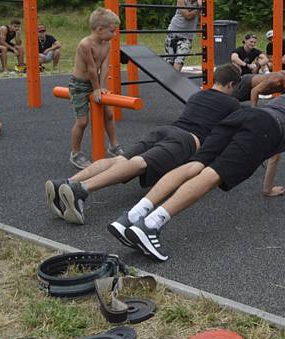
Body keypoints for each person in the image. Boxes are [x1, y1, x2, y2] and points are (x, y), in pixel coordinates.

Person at [112, 86, 285, 262]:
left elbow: (275, 154)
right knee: (213, 174)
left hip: (244, 115)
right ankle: (151, 225)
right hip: (264, 128)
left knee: (195, 164)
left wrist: (267, 189)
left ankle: (132, 216)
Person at [45, 64, 246, 225]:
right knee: (140, 163)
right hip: (185, 139)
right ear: (230, 84)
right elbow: (230, 134)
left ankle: (67, 182)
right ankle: (82, 189)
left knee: (120, 159)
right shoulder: (232, 104)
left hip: (164, 130)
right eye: (235, 88)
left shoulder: (197, 95)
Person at [68, 8, 124, 170]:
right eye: (112, 31)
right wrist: (96, 89)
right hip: (79, 85)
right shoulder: (85, 44)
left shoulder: (107, 43)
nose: (114, 34)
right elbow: (92, 68)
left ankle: (114, 146)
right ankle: (76, 153)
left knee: (109, 113)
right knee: (82, 121)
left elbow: (105, 65)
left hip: (97, 83)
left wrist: (102, 87)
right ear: (99, 29)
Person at [164, 0, 201, 72]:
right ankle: (168, 82)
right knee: (169, 60)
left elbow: (201, 4)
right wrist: (199, 8)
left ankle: (174, 80)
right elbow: (187, 16)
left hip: (186, 36)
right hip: (173, 32)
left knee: (180, 59)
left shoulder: (200, 1)